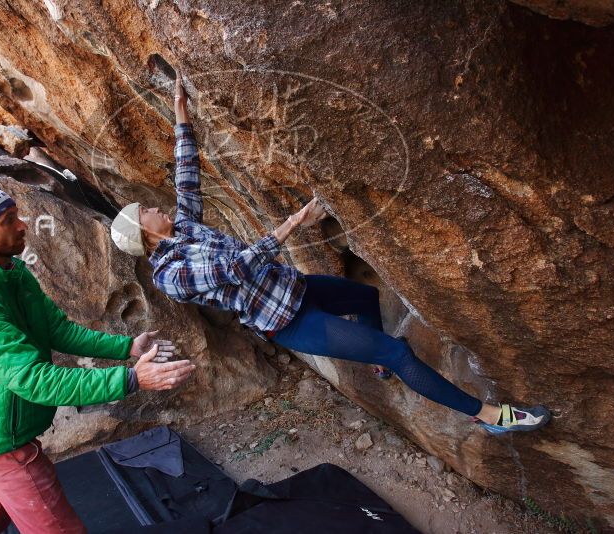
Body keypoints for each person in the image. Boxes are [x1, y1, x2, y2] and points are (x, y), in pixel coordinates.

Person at [110, 73, 550, 435]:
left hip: (296, 289)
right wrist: (295, 222)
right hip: (290, 322)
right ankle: (489, 416)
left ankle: (377, 364)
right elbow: (236, 267)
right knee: (398, 353)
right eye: (145, 212)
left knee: (365, 299)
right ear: (145, 237)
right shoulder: (171, 273)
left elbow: (187, 173)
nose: (153, 207)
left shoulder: (182, 228)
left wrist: (180, 108)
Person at [0, 179, 196, 534]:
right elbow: (33, 379)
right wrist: (132, 378)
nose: (23, 224)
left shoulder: (12, 272)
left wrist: (126, 348)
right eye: (8, 220)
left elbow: (56, 329)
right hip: (0, 443)